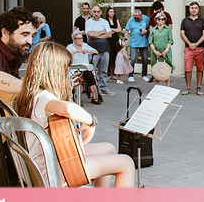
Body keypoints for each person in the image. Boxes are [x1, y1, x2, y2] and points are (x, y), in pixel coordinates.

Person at [13, 42, 135, 187]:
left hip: (47, 159)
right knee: (126, 163)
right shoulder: (43, 97)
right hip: (51, 172)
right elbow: (68, 109)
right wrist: (90, 120)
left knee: (109, 149)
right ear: (55, 71)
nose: (67, 73)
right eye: (66, 69)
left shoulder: (30, 93)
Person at [85, 5, 114, 96]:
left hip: (105, 48)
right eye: (94, 12)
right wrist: (102, 31)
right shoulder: (89, 22)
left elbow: (109, 35)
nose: (96, 13)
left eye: (98, 12)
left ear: (100, 12)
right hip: (93, 49)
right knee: (92, 70)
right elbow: (90, 34)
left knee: (104, 70)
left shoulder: (104, 22)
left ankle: (104, 88)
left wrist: (96, 34)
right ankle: (92, 89)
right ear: (91, 12)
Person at [66, 30, 101, 105]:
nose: (80, 40)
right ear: (73, 40)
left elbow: (96, 51)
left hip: (85, 67)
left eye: (81, 38)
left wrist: (87, 51)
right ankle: (78, 98)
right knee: (79, 80)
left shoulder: (85, 45)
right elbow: (66, 54)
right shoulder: (70, 46)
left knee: (91, 78)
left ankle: (94, 98)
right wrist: (77, 51)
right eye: (78, 38)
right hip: (75, 68)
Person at [179, 2, 204, 95]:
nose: (194, 9)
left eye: (195, 8)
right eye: (192, 8)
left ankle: (199, 88)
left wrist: (196, 44)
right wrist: (190, 44)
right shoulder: (184, 20)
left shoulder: (202, 21)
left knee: (200, 69)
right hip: (188, 48)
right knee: (188, 69)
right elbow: (182, 34)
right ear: (189, 9)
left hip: (200, 48)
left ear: (198, 9)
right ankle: (188, 87)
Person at [123, 9, 152, 83]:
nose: (135, 19)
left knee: (145, 59)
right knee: (132, 59)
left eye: (137, 18)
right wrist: (126, 39)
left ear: (141, 15)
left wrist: (146, 31)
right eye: (134, 17)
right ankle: (130, 75)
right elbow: (126, 30)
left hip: (143, 43)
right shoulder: (131, 20)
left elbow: (150, 28)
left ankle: (144, 75)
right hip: (134, 43)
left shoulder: (146, 18)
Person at [149, 12, 175, 87]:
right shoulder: (153, 29)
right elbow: (150, 41)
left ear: (165, 20)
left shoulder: (168, 29)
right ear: (156, 20)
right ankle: (157, 86)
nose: (161, 20)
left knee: (167, 68)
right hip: (155, 51)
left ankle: (167, 86)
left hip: (166, 51)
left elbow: (170, 40)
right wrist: (154, 51)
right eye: (159, 19)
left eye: (162, 19)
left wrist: (166, 50)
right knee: (156, 68)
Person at [105, 7, 122, 81]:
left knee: (115, 57)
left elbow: (119, 30)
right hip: (108, 40)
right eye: (110, 12)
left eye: (113, 12)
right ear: (107, 13)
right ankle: (109, 73)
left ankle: (113, 75)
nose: (112, 13)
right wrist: (112, 30)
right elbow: (105, 30)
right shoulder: (105, 21)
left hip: (115, 39)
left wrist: (111, 29)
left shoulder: (116, 20)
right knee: (110, 57)